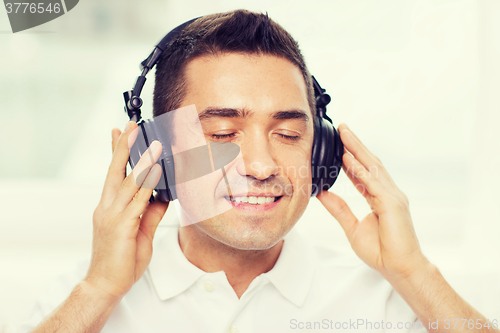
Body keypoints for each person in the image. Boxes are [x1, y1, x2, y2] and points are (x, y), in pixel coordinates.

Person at [20, 9, 498, 333]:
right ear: (159, 153)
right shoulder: (82, 300)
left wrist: (414, 273)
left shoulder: (394, 302)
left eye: (288, 135)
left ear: (320, 152)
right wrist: (99, 290)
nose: (263, 165)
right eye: (223, 133)